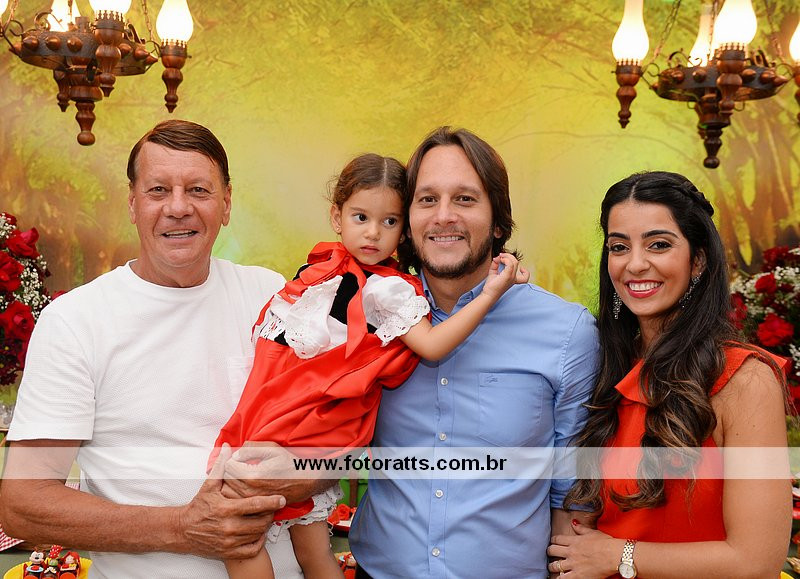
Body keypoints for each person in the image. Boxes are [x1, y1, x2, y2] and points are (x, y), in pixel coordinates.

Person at [0, 119, 311, 578]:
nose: (178, 208)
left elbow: (332, 445)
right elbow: (23, 504)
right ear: (133, 203)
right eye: (158, 190)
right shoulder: (75, 321)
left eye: (199, 190)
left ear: (226, 203)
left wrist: (303, 473)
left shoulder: (270, 295)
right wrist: (184, 528)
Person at [213, 153, 529, 579]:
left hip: (305, 423)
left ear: (405, 229)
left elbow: (433, 345)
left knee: (238, 536)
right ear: (336, 216)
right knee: (312, 550)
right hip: (280, 410)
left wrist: (489, 294)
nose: (373, 233)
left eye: (389, 221)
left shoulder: (387, 289)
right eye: (361, 217)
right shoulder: (318, 273)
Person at [349, 127, 600, 578]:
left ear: (499, 221)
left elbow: (572, 489)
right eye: (427, 200)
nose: (444, 216)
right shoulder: (368, 315)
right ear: (406, 221)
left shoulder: (567, 332)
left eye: (465, 199)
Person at [548, 171, 791, 578]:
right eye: (619, 247)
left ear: (698, 261)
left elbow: (757, 561)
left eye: (658, 244)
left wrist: (618, 555)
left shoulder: (743, 380)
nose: (635, 264)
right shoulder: (602, 366)